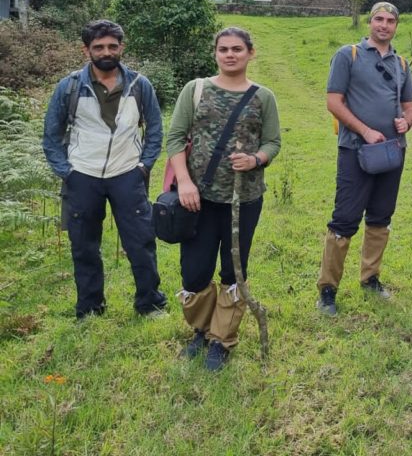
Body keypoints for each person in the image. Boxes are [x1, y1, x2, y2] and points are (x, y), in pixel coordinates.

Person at [166, 27, 281, 371]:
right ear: (215, 53)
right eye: (223, 49)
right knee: (194, 271)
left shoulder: (264, 97)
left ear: (250, 53)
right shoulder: (196, 90)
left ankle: (222, 340)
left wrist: (256, 160)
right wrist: (184, 182)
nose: (230, 55)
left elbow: (273, 142)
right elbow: (174, 138)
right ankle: (200, 331)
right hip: (197, 200)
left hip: (243, 200)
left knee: (234, 271)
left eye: (237, 49)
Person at [42, 19, 166, 320]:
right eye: (99, 47)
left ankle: (150, 304)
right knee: (84, 246)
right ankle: (89, 308)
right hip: (82, 176)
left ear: (121, 47)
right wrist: (66, 171)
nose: (106, 51)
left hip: (127, 174)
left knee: (141, 242)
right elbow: (51, 135)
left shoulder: (139, 85)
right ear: (86, 50)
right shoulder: (69, 86)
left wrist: (143, 166)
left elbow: (155, 130)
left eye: (113, 45)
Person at [316, 2, 412, 315]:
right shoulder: (349, 55)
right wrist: (365, 130)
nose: (384, 25)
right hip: (355, 151)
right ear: (370, 22)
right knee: (344, 219)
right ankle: (328, 290)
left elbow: (410, 106)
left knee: (381, 217)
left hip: (392, 152)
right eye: (379, 19)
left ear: (396, 26)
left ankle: (370, 277)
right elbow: (334, 102)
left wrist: (407, 122)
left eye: (390, 21)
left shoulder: (401, 63)